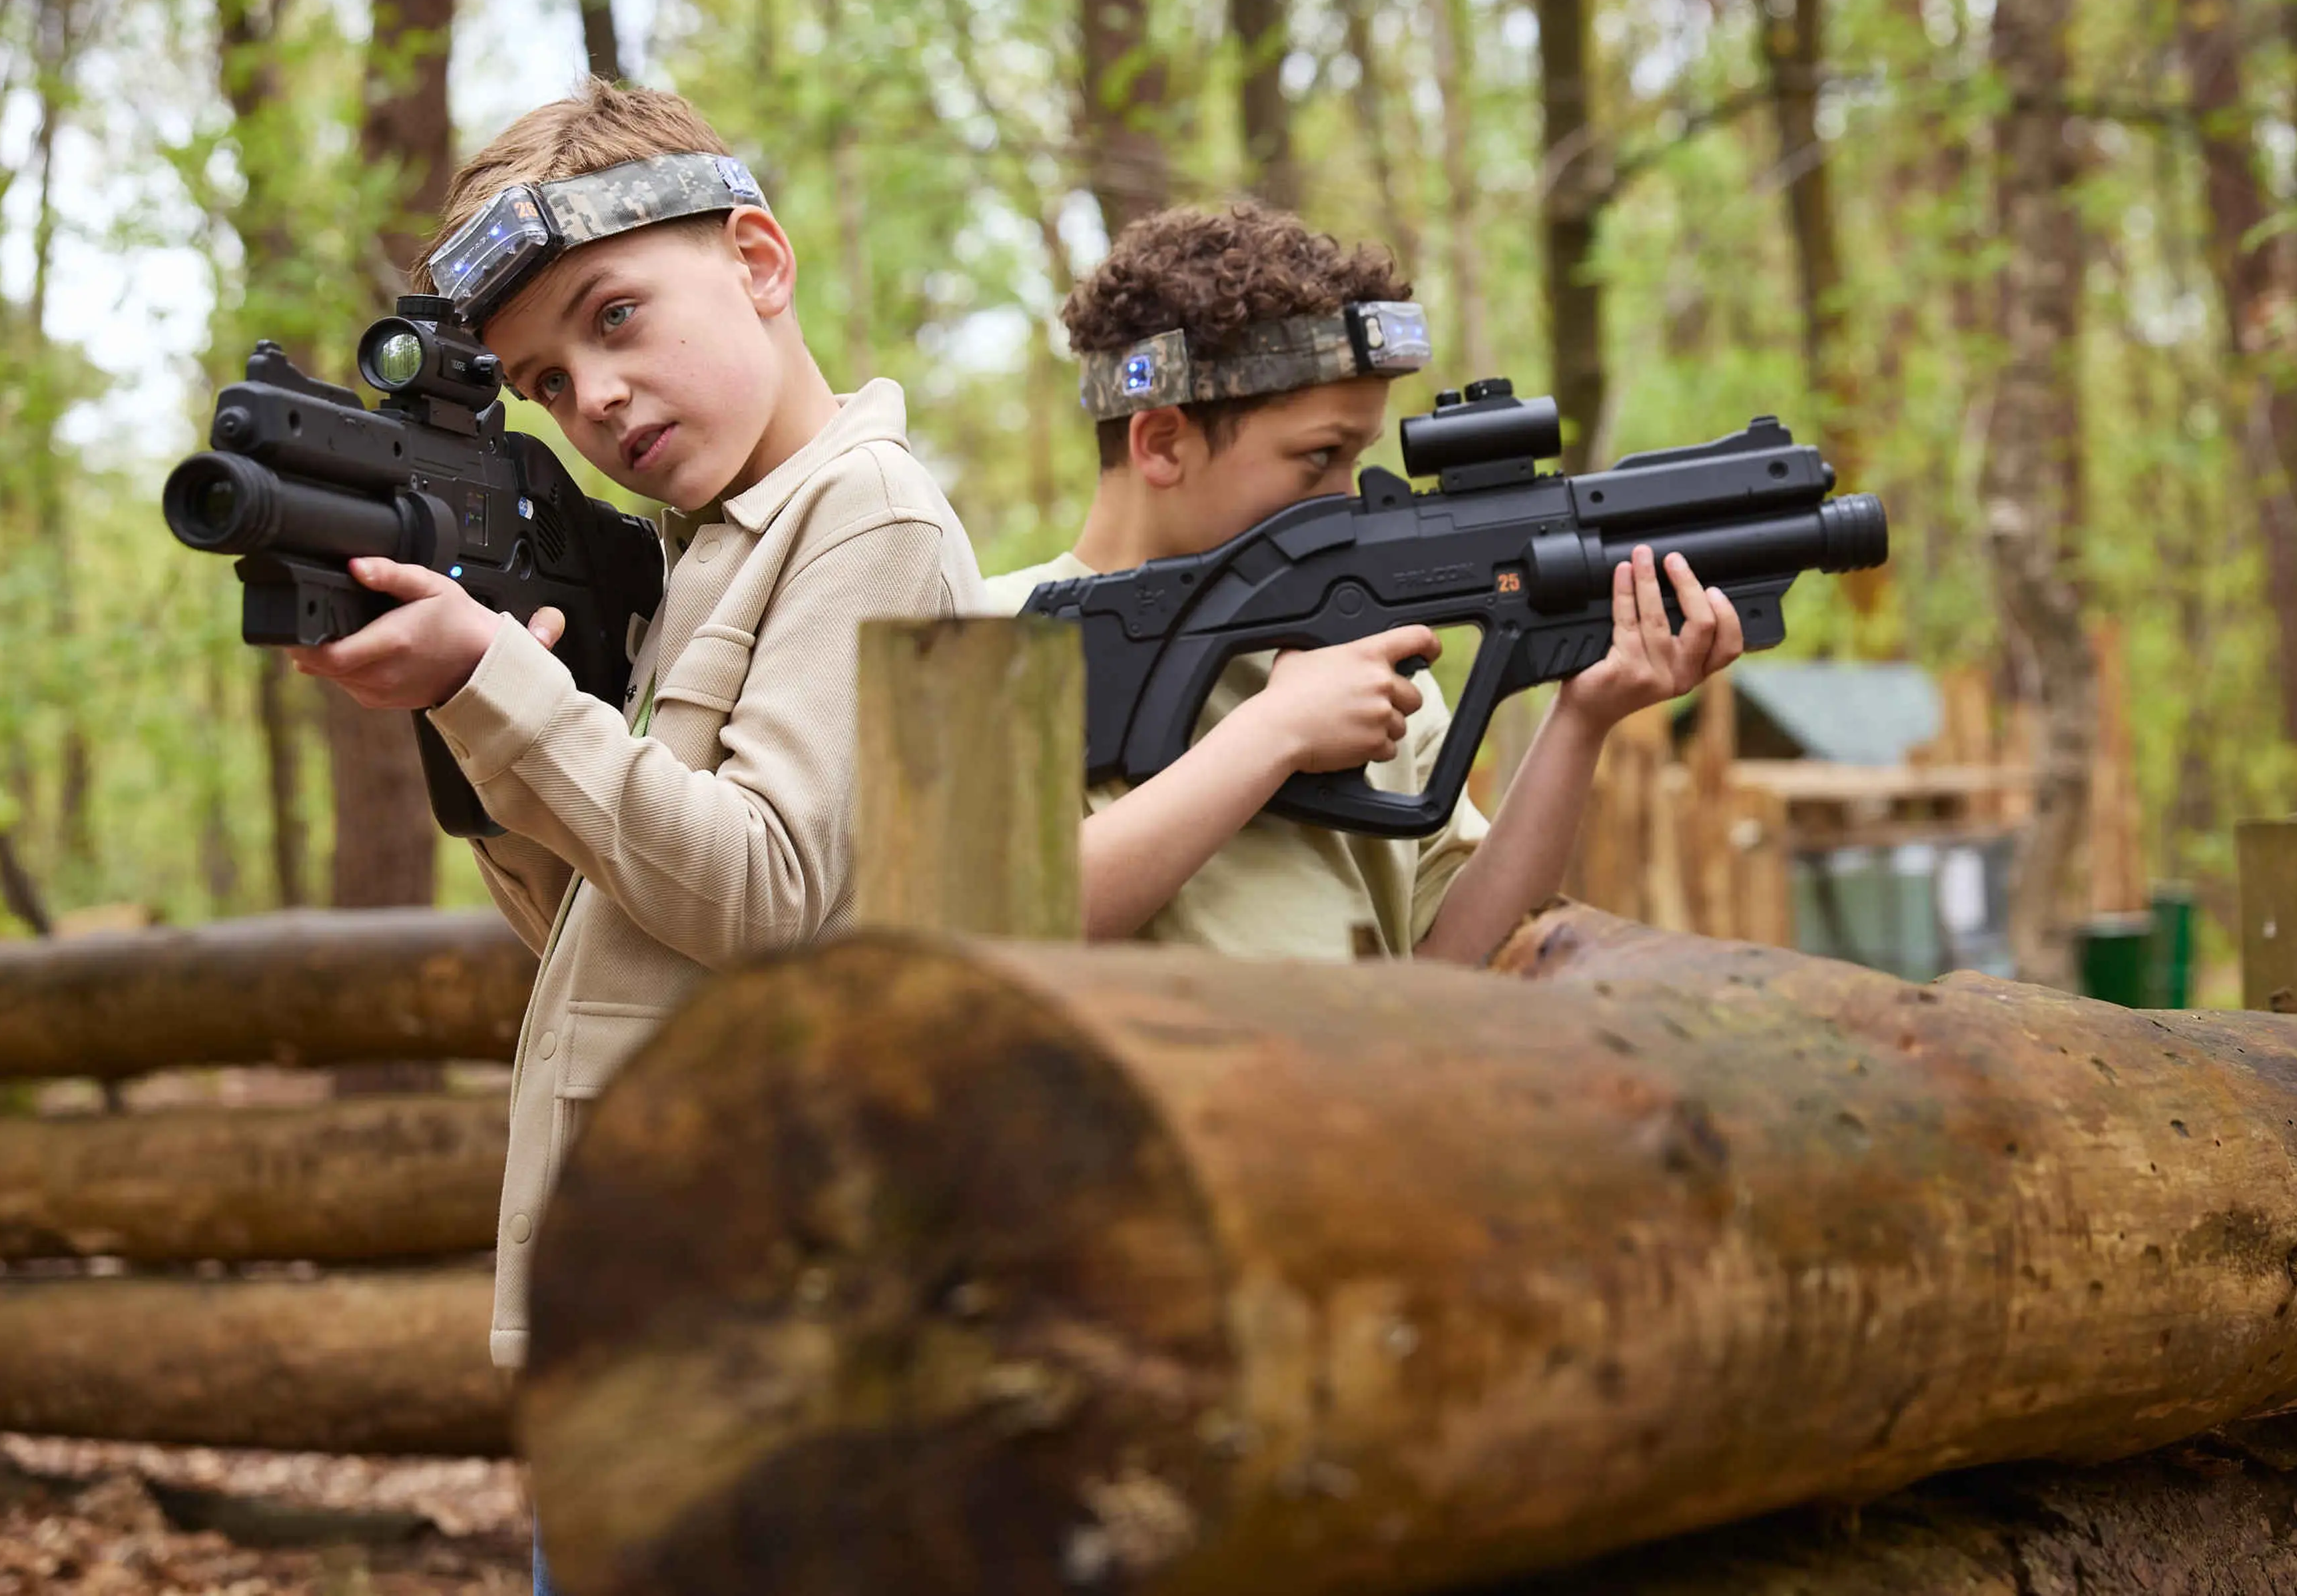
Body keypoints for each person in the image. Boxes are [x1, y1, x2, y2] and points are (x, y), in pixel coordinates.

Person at [282, 79, 983, 1592]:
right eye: (540, 380)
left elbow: (763, 898)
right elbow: (594, 936)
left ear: (759, 260)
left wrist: (499, 680)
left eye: (613, 318)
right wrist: (467, 699)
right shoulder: (688, 562)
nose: (589, 397)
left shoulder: (865, 514)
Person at [984, 204, 1742, 965]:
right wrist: (1276, 732)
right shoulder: (987, 639)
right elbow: (982, 931)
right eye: (1318, 456)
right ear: (1162, 444)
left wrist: (1583, 721)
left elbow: (1466, 968)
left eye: (1359, 455)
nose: (1347, 498)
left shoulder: (1362, 657)